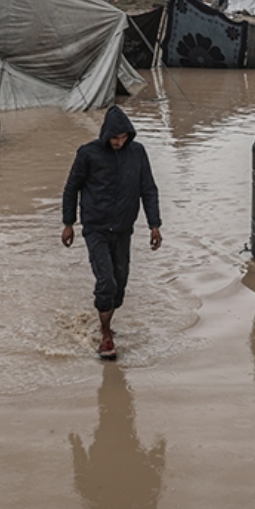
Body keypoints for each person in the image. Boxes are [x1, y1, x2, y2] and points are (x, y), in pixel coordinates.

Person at [62, 106, 163, 360]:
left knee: (119, 284)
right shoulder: (88, 154)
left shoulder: (137, 153)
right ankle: (106, 337)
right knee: (106, 280)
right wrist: (68, 223)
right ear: (106, 134)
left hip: (123, 229)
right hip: (95, 228)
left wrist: (155, 224)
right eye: (114, 138)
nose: (119, 143)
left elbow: (148, 188)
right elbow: (71, 188)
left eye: (123, 138)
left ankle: (105, 319)